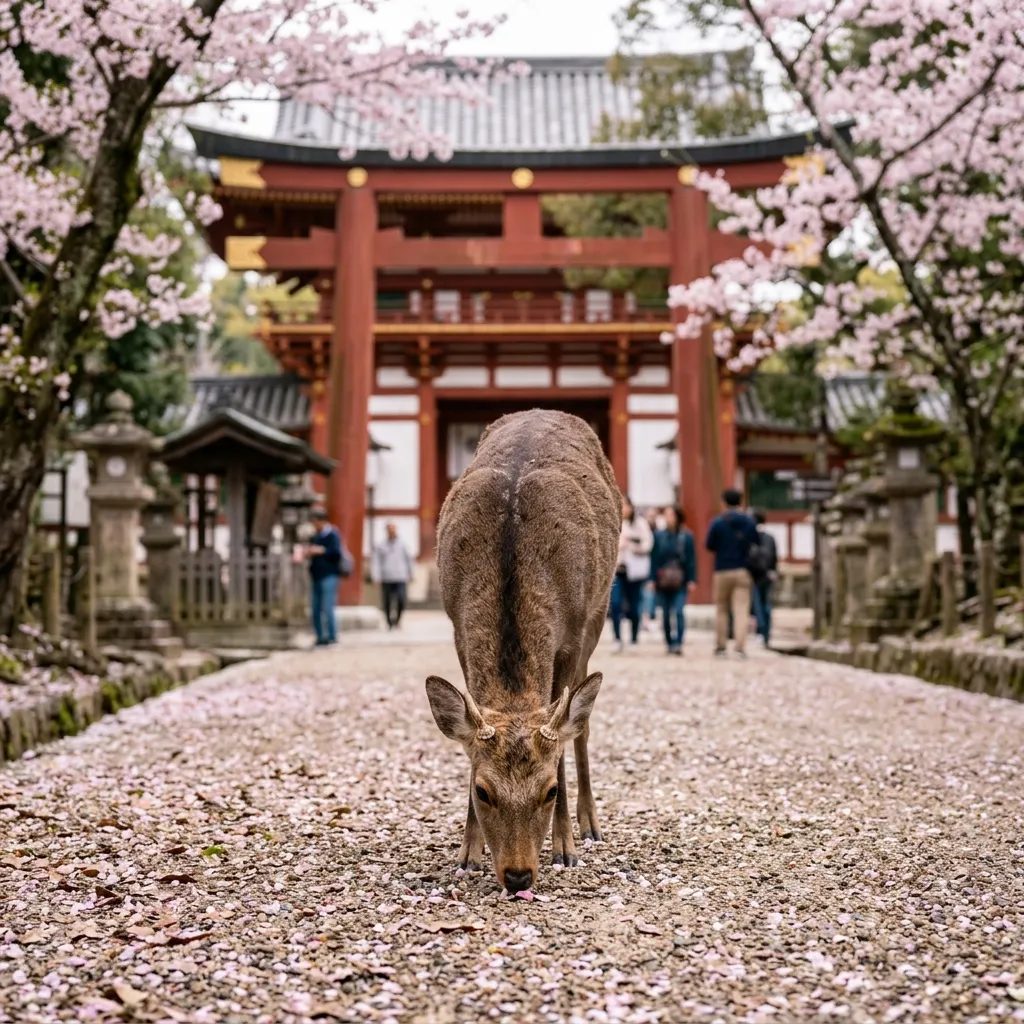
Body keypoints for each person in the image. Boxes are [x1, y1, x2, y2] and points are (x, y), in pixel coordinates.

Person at [705, 489, 758, 658]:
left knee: (722, 608)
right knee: (741, 609)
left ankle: (721, 646)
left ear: (724, 502)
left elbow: (709, 545)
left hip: (722, 569)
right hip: (743, 569)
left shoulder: (718, 522)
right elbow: (756, 541)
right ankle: (740, 647)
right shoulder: (749, 522)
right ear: (741, 502)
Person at [609, 495, 653, 653]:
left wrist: (631, 545)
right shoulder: (613, 523)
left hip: (634, 570)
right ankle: (617, 639)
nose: (624, 509)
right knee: (615, 604)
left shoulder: (639, 524)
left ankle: (634, 638)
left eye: (626, 505)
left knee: (634, 606)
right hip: (617, 570)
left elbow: (648, 544)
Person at [650, 506, 697, 655]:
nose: (668, 518)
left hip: (680, 580)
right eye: (666, 515)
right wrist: (651, 579)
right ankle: (669, 642)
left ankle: (678, 643)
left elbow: (691, 560)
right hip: (662, 580)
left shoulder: (687, 536)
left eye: (671, 514)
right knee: (664, 613)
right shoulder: (658, 535)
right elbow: (654, 559)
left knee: (678, 611)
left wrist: (692, 579)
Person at [306, 505, 348, 647]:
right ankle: (320, 636)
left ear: (321, 520)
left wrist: (321, 550)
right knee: (316, 608)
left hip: (329, 575)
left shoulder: (332, 534)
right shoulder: (315, 536)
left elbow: (336, 553)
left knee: (328, 606)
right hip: (316, 575)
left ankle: (332, 635)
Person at [371, 522, 414, 630]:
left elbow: (409, 559)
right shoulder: (381, 545)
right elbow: (376, 561)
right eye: (389, 529)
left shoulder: (403, 544)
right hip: (386, 576)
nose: (391, 531)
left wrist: (411, 573)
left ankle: (397, 619)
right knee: (387, 601)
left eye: (393, 528)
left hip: (400, 576)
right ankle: (389, 623)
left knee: (401, 599)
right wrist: (376, 576)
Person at [749, 509, 779, 646]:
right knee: (766, 603)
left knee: (758, 604)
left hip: (755, 574)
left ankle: (761, 630)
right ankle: (766, 632)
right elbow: (774, 556)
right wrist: (773, 570)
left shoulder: (753, 537)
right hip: (768, 574)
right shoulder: (770, 537)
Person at [640, 508, 662, 631]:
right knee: (646, 594)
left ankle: (650, 618)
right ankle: (646, 618)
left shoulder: (659, 533)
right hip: (643, 566)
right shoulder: (643, 531)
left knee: (651, 595)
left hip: (655, 567)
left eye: (654, 516)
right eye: (649, 516)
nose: (651, 518)